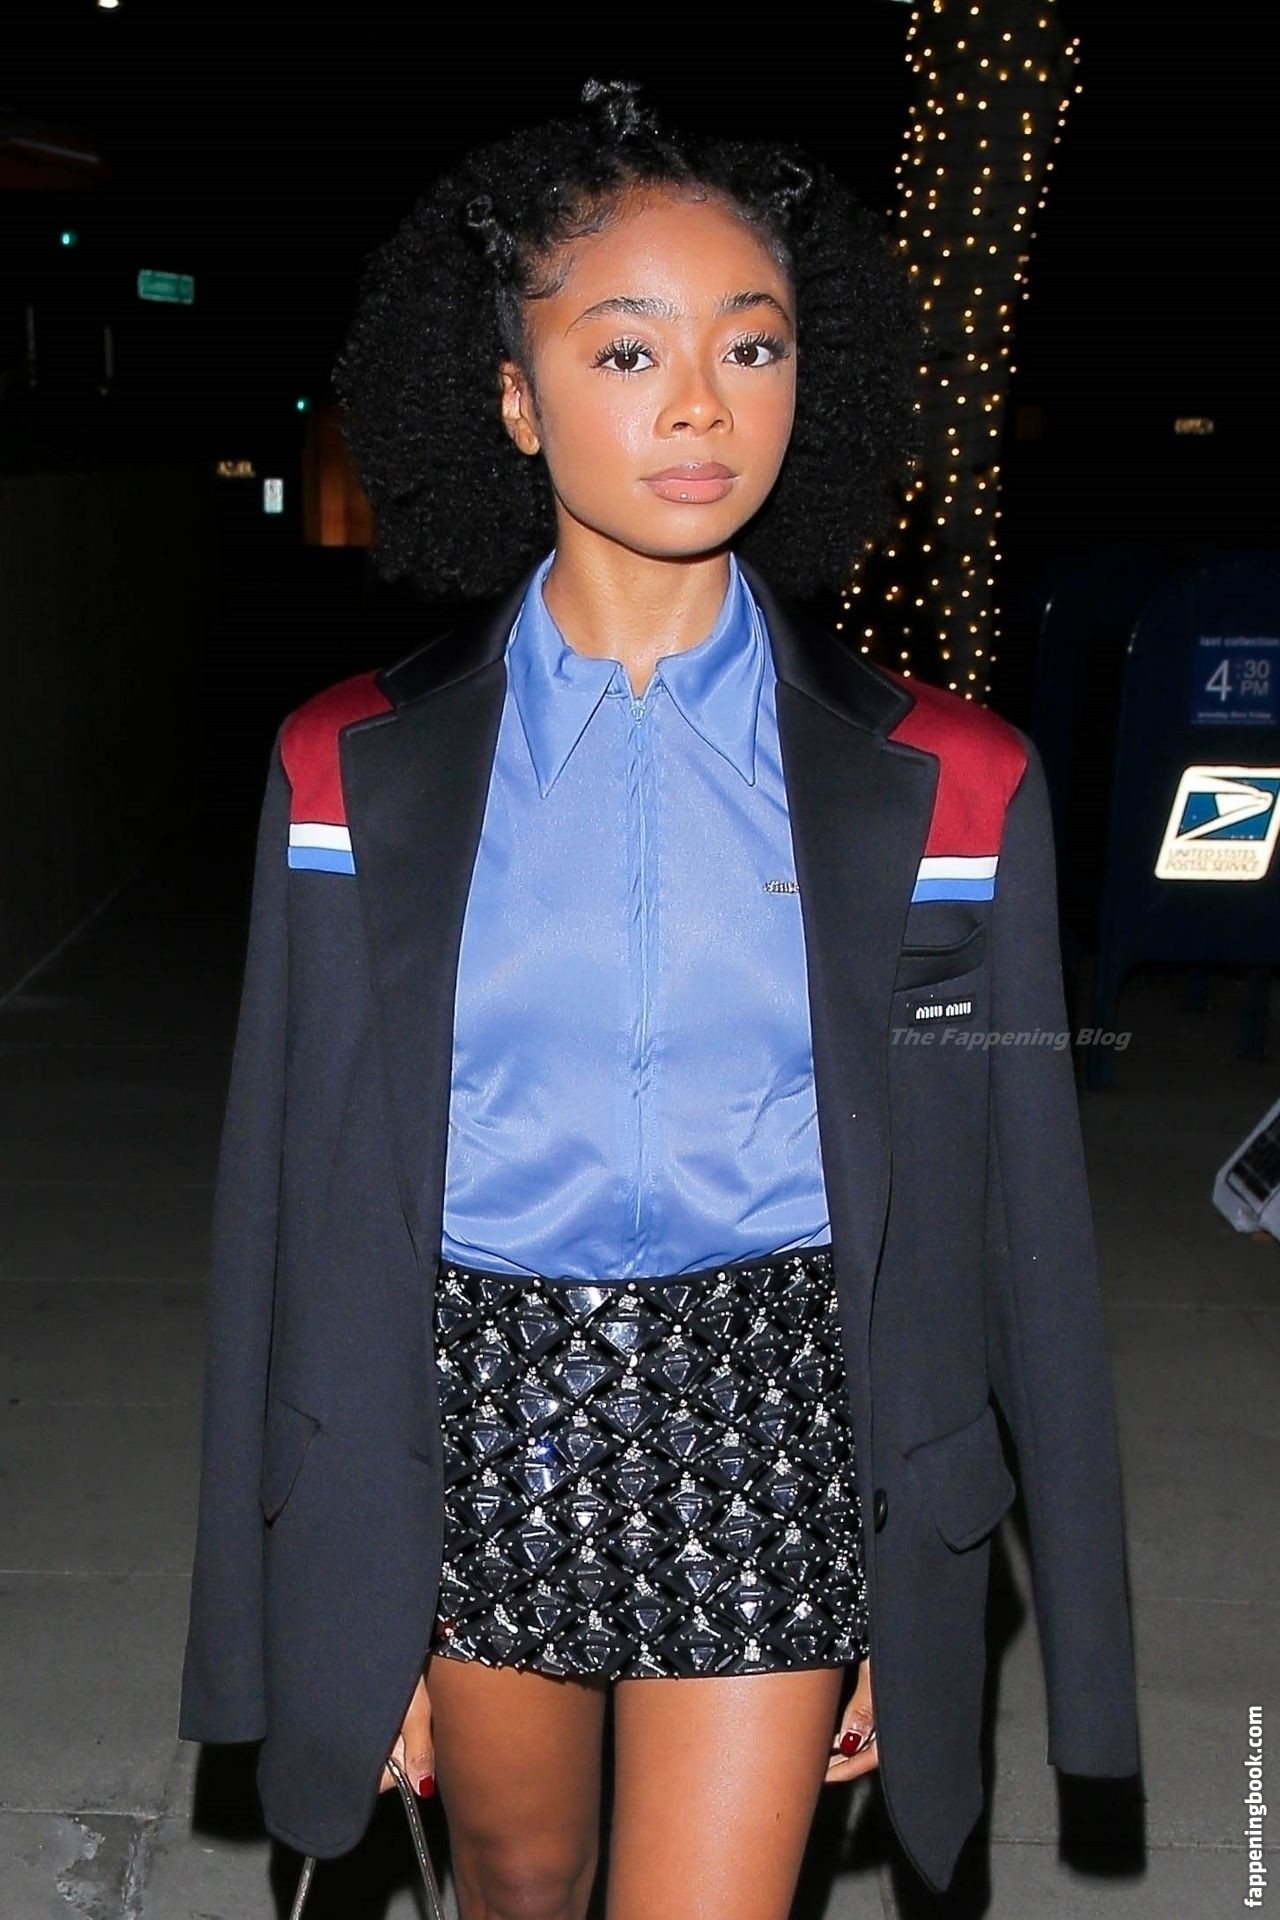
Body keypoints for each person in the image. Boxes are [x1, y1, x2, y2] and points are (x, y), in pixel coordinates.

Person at [178, 76, 1140, 1916]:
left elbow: (1011, 1238)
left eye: (750, 345)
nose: (702, 402)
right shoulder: (344, 770)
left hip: (779, 1407)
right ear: (514, 396)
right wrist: (320, 1607)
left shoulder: (955, 784)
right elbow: (284, 1220)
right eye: (626, 351)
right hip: (472, 1405)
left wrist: (929, 1590)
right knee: (517, 1884)